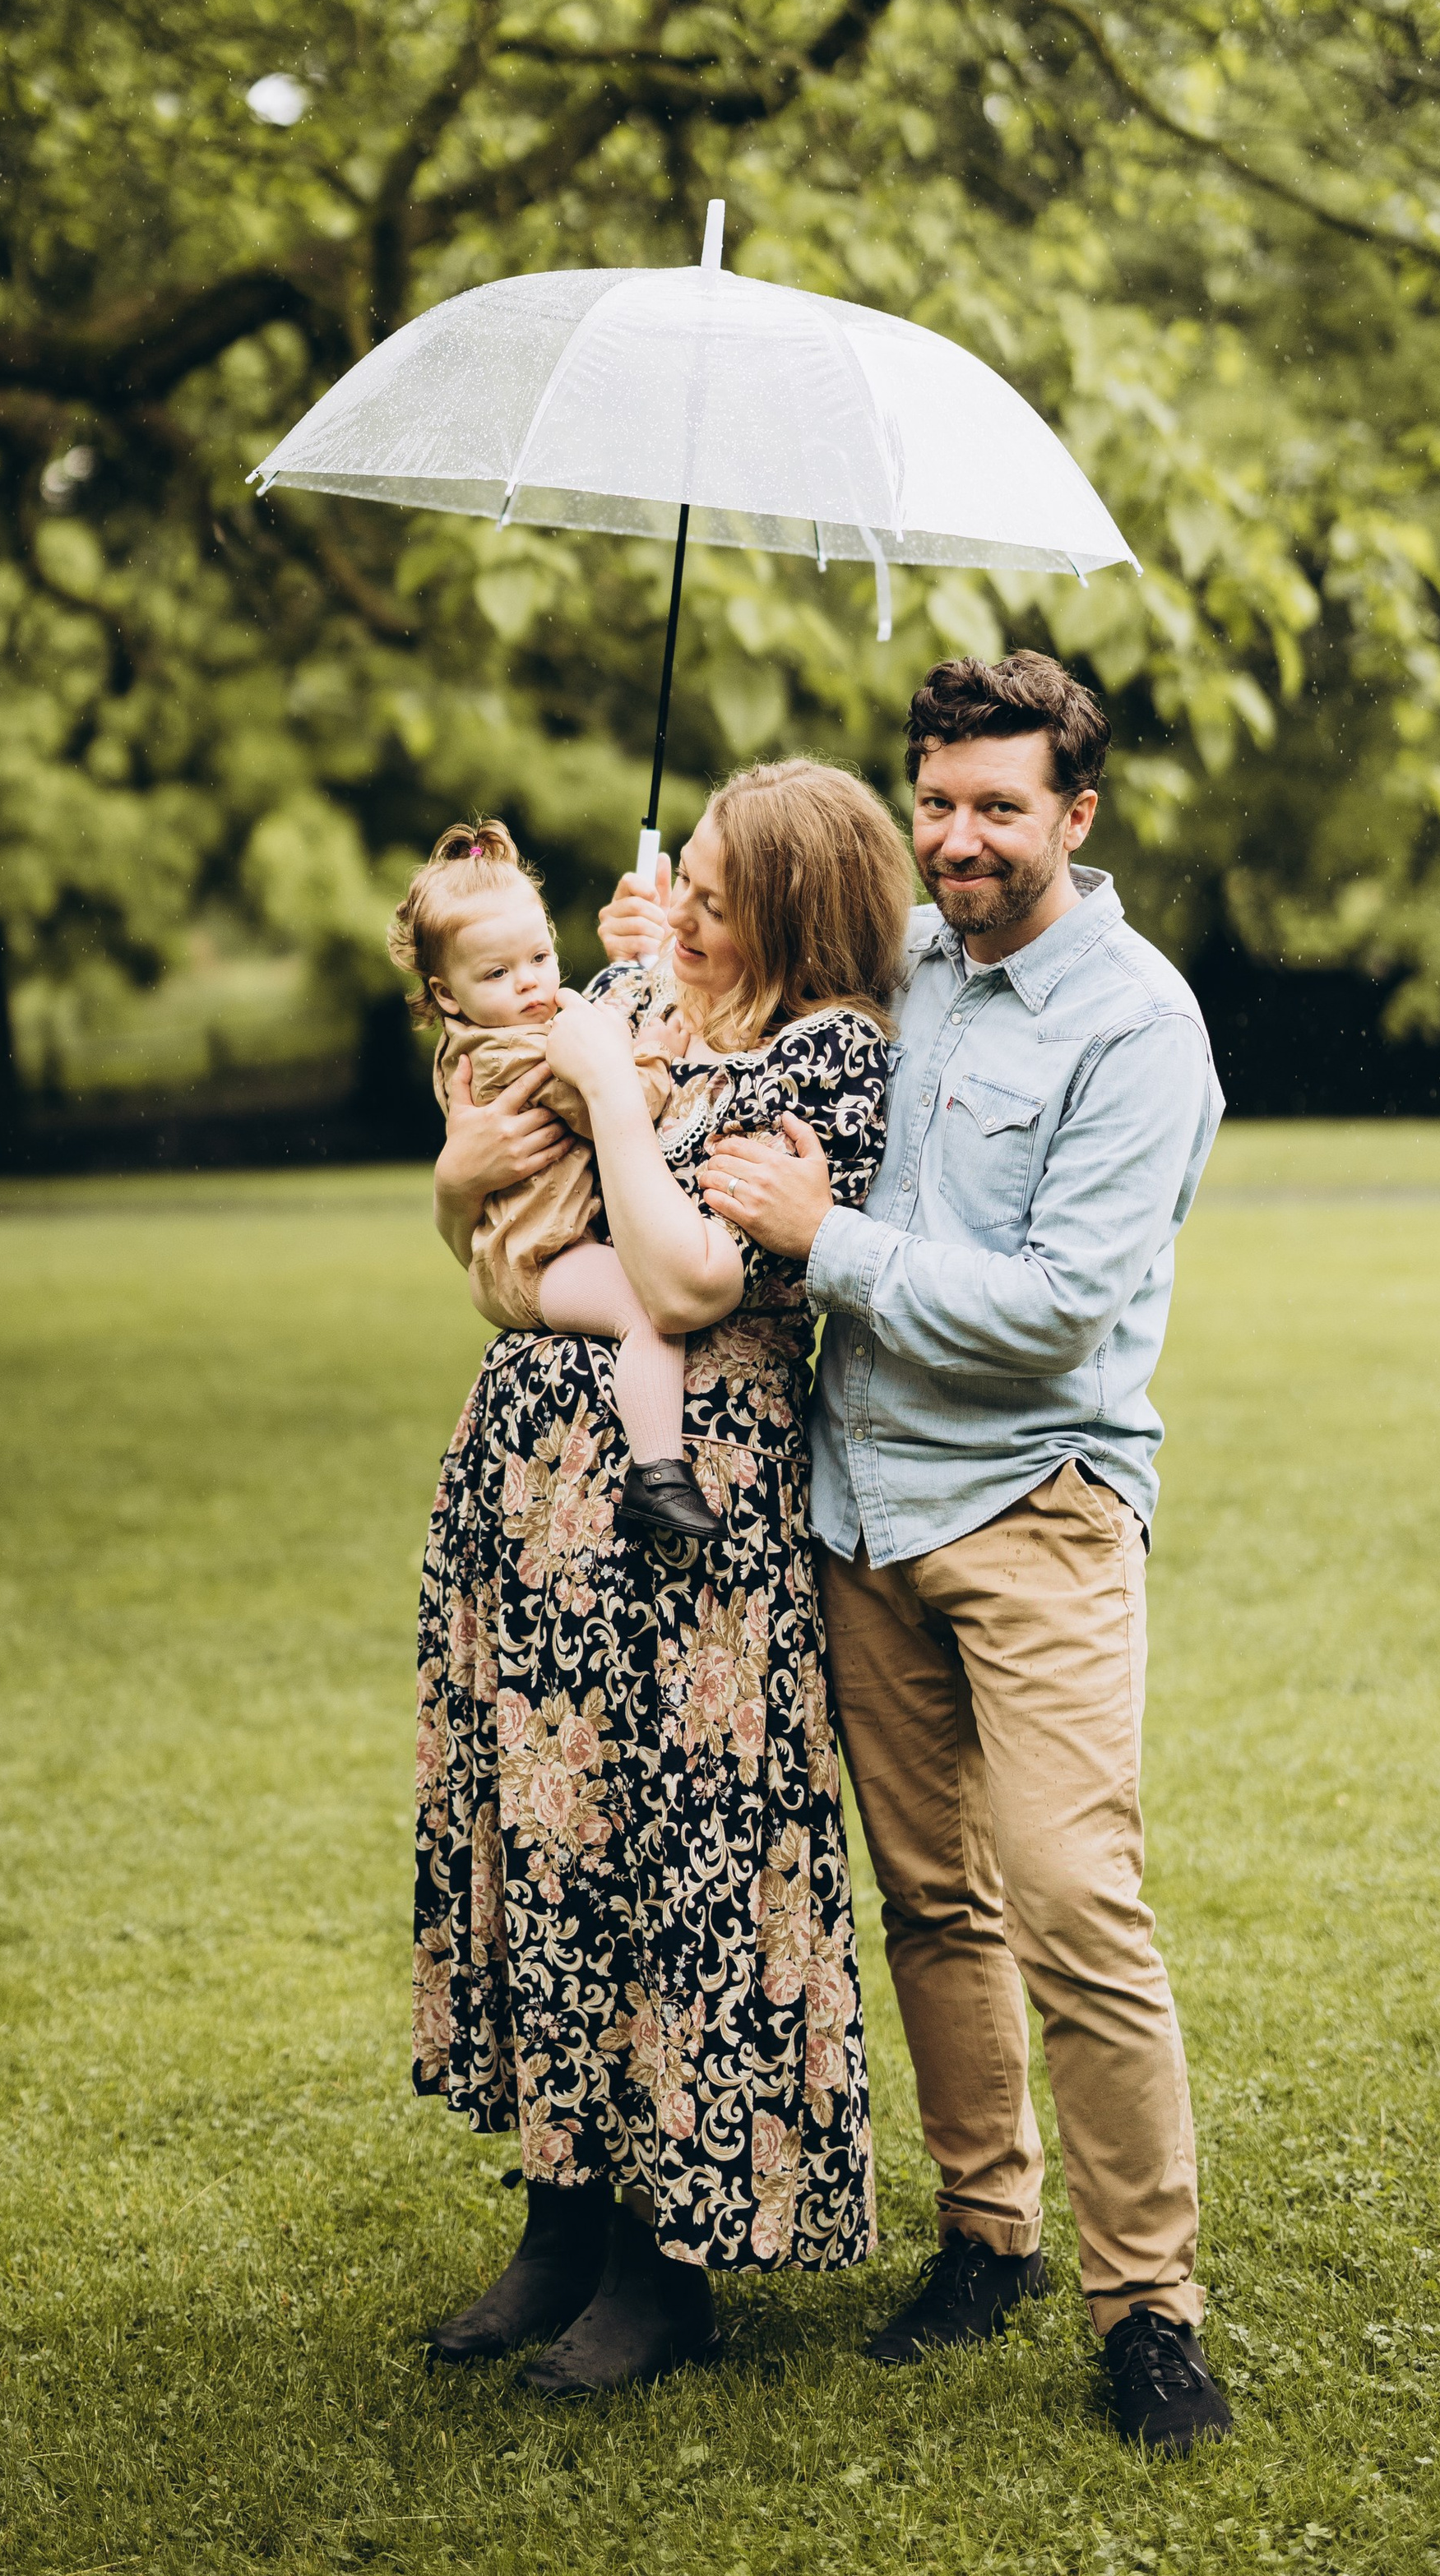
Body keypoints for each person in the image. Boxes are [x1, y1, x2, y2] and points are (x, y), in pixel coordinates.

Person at [604, 652, 1232, 2458]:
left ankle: (1149, 2311)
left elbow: (1058, 1313)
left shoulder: (1134, 1025)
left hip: (1031, 1511)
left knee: (1071, 1906)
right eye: (936, 803)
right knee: (930, 1900)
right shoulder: (909, 975)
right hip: (858, 1511)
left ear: (1075, 816)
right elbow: (753, 990)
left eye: (997, 809)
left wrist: (831, 1239)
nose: (957, 840)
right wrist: (663, 931)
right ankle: (985, 2234)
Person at [416, 759, 913, 2395]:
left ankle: (661, 2265)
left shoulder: (829, 1059)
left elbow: (690, 1280)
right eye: (679, 878)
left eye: (713, 892)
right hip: (534, 1510)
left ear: (788, 908)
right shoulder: (632, 995)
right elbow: (484, 1210)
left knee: (672, 1862)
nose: (676, 909)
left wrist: (616, 1095)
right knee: (554, 1847)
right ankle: (559, 2217)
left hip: (685, 1539)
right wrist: (464, 1181)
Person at [387, 816, 719, 1542]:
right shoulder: (516, 1056)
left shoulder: (488, 1033)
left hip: (521, 1249)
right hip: (539, 1261)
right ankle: (657, 1471)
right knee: (648, 1308)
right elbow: (610, 1106)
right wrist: (654, 1055)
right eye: (498, 974)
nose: (532, 983)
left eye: (539, 957)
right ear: (447, 994)